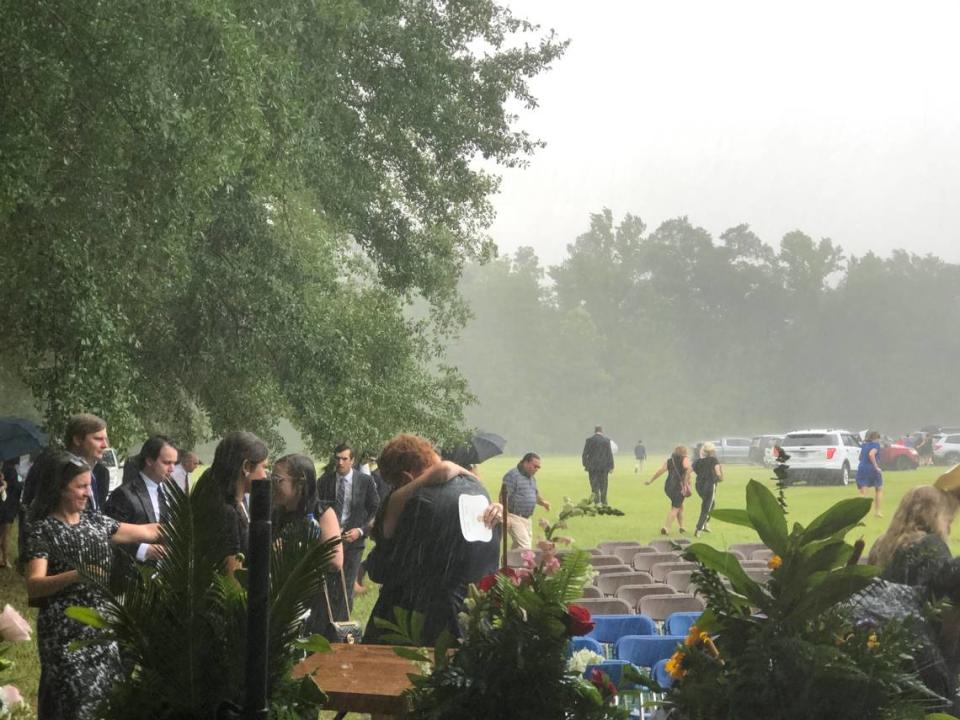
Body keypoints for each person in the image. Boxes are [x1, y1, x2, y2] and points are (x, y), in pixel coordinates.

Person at [24, 454, 161, 720]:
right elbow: (34, 586)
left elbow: (147, 530)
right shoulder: (43, 530)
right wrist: (76, 575)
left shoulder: (95, 522)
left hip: (100, 628)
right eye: (81, 486)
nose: (88, 493)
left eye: (89, 486)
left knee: (105, 703)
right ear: (61, 488)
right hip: (65, 632)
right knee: (75, 706)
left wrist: (188, 527)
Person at [364, 434, 502, 646]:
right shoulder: (479, 491)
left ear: (405, 478)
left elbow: (386, 569)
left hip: (420, 626)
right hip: (471, 620)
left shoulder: (420, 502)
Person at [270, 453, 344, 638]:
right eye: (270, 478)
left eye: (278, 480)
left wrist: (292, 551)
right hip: (282, 599)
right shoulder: (275, 514)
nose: (272, 485)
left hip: (315, 601)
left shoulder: (322, 513)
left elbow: (335, 561)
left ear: (300, 484)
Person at [194, 431, 269, 578]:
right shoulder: (226, 512)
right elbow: (231, 578)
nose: (265, 475)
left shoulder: (217, 498)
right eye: (264, 467)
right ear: (246, 467)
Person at [318, 443, 379, 612]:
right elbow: (316, 508)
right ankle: (327, 624)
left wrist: (360, 531)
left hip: (354, 542)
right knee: (328, 589)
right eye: (337, 458)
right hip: (329, 541)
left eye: (344, 459)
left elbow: (376, 509)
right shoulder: (324, 482)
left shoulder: (365, 482)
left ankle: (344, 630)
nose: (340, 463)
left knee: (346, 589)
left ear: (352, 460)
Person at [104, 435, 177, 563]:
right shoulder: (123, 494)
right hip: (133, 572)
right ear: (149, 461)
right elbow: (109, 534)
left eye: (174, 463)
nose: (172, 469)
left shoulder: (169, 491)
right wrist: (144, 550)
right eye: (167, 463)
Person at [500, 452, 550, 550]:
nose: (537, 469)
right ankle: (517, 564)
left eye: (538, 467)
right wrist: (506, 516)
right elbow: (503, 496)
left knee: (518, 548)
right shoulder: (512, 476)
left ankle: (509, 563)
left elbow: (534, 495)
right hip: (514, 516)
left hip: (527, 519)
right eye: (535, 466)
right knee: (525, 547)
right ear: (526, 463)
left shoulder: (531, 478)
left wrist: (543, 503)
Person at [645, 445, 692, 535]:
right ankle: (666, 528)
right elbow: (687, 467)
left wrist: (651, 480)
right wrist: (688, 479)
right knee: (675, 508)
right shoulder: (685, 459)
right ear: (684, 452)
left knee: (679, 506)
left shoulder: (670, 460)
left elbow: (661, 470)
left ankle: (682, 527)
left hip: (668, 487)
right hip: (679, 487)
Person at [692, 442, 723, 537]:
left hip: (699, 486)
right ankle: (699, 528)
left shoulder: (698, 461)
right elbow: (718, 474)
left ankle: (706, 524)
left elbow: (689, 470)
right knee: (706, 507)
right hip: (709, 485)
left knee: (711, 504)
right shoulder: (714, 460)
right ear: (712, 451)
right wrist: (720, 475)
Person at [581, 425, 614, 504]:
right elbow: (609, 454)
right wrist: (611, 466)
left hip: (592, 467)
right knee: (604, 485)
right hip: (604, 467)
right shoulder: (606, 440)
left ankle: (596, 501)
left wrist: (586, 465)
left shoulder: (589, 440)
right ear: (602, 431)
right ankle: (604, 501)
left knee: (594, 485)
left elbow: (584, 454)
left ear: (595, 431)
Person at [0, 458, 23, 568]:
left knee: (3, 534)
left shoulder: (3, 469)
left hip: (5, 505)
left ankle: (3, 559)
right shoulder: (11, 471)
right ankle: (5, 560)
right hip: (8, 507)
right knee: (5, 535)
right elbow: (15, 487)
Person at [857, 430, 884, 517]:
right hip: (872, 469)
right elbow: (871, 454)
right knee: (878, 489)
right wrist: (876, 466)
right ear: (876, 438)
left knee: (863, 491)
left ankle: (859, 512)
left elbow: (860, 458)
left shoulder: (864, 445)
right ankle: (877, 512)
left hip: (862, 468)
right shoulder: (876, 445)